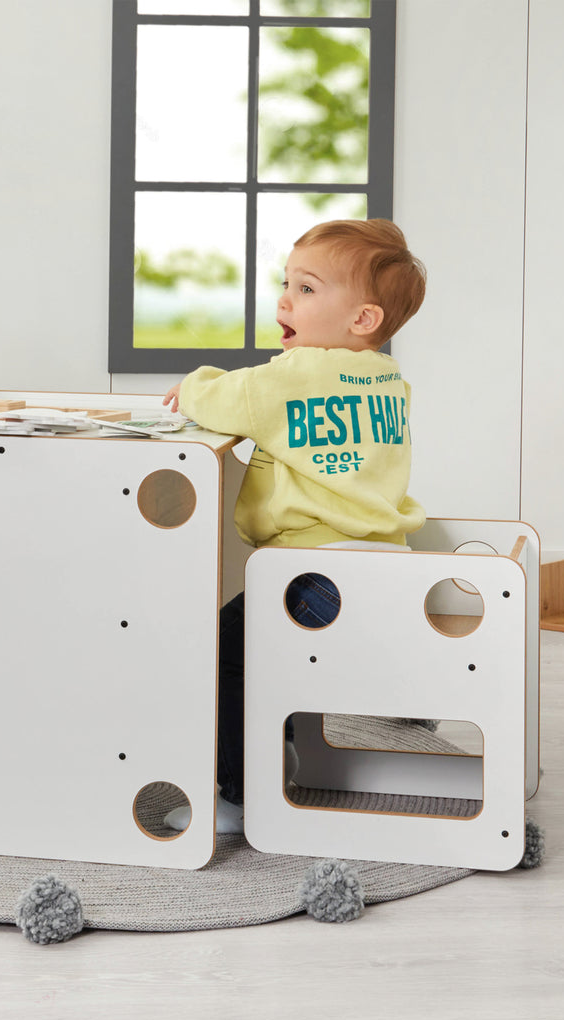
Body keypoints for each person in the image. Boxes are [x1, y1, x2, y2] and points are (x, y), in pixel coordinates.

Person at [162, 218, 427, 834]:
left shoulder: (292, 376)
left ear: (362, 319)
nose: (284, 300)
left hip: (312, 575)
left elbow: (222, 396)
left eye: (306, 289)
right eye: (287, 284)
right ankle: (276, 751)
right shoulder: (390, 382)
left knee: (220, 652)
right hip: (382, 568)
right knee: (261, 651)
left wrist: (193, 385)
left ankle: (240, 791)